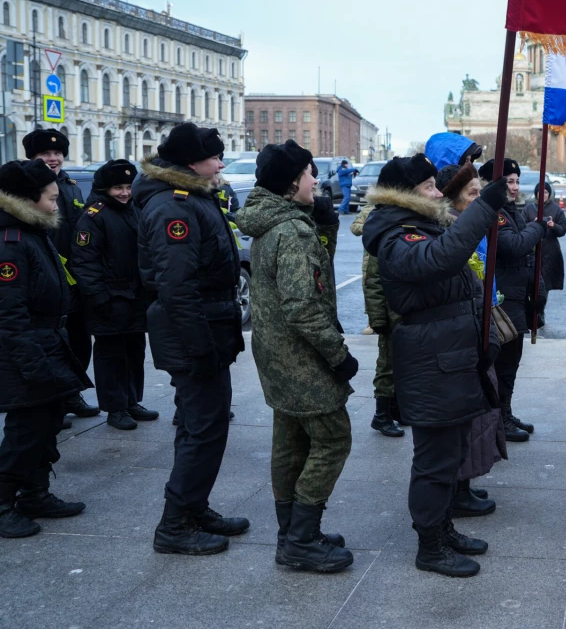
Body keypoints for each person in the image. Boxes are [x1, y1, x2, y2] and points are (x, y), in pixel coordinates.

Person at [361, 154, 507, 577]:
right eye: (428, 186)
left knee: (453, 451)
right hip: (431, 359)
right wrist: (483, 208)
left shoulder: (420, 223)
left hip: (451, 356)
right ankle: (430, 547)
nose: (437, 192)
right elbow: (438, 259)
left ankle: (443, 529)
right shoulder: (396, 235)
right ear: (406, 195)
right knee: (435, 460)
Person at [238, 140, 356, 573]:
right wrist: (339, 355)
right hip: (303, 360)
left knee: (289, 442)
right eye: (310, 173)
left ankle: (292, 533)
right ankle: (301, 539)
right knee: (332, 439)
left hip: (275, 355)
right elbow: (303, 306)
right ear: (292, 182)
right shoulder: (291, 231)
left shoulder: (274, 222)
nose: (316, 180)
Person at [134, 123, 249, 556]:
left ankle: (193, 507)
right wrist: (200, 346)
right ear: (191, 163)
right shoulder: (174, 207)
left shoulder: (191, 198)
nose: (221, 164)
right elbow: (177, 287)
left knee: (201, 425)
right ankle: (175, 525)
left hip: (206, 327)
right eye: (215, 157)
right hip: (193, 332)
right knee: (202, 428)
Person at [0, 159, 89, 539]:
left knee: (47, 424)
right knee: (25, 432)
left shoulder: (32, 232)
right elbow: (9, 315)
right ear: (29, 199)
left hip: (47, 343)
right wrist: (33, 365)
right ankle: (4, 504)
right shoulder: (11, 242)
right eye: (51, 198)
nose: (57, 204)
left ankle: (35, 494)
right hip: (25, 352)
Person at [438, 162, 504, 518]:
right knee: (466, 417)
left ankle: (462, 485)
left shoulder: (468, 226)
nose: (478, 198)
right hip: (462, 336)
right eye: (473, 193)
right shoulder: (451, 232)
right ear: (454, 197)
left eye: (481, 192)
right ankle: (455, 491)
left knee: (479, 414)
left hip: (479, 325)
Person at [71, 160, 157, 431]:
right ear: (104, 189)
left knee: (134, 352)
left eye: (128, 187)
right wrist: (99, 298)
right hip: (109, 299)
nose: (124, 193)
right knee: (111, 356)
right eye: (117, 187)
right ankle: (115, 408)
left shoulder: (134, 210)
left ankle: (132, 401)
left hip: (134, 296)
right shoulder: (93, 216)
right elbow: (84, 262)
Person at [22, 129, 99, 422]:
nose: (52, 159)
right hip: (45, 278)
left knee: (79, 340)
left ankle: (72, 394)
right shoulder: (25, 187)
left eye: (57, 154)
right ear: (33, 157)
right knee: (51, 343)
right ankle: (53, 400)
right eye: (45, 154)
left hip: (75, 277)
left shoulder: (71, 185)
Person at [481, 157, 549, 442]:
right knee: (504, 364)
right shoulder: (495, 213)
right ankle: (499, 418)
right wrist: (539, 227)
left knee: (512, 362)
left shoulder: (509, 211)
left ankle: (505, 411)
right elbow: (513, 246)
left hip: (517, 297)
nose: (514, 187)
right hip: (504, 299)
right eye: (509, 181)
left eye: (517, 181)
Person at [351, 202, 405, 438]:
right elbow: (373, 282)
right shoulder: (383, 222)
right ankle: (381, 415)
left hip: (404, 311)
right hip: (390, 312)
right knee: (387, 364)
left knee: (402, 364)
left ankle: (395, 409)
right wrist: (377, 318)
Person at [524, 182, 566, 326]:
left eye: (546, 193)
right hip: (532, 251)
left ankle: (540, 311)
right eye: (540, 192)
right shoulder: (529, 208)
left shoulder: (556, 209)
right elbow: (520, 227)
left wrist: (553, 226)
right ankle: (532, 310)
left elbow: (563, 229)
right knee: (531, 282)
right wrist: (533, 225)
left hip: (550, 253)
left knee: (545, 286)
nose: (543, 195)